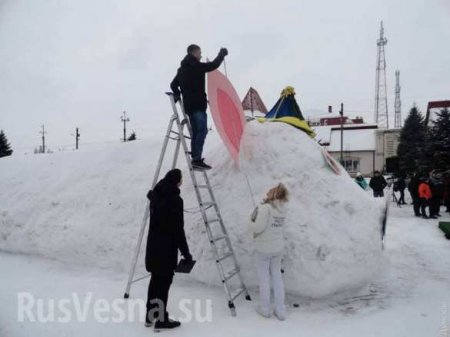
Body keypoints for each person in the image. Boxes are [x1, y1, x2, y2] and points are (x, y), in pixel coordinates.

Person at [145, 169, 192, 330]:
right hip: (166, 250)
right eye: (181, 179)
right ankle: (161, 319)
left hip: (153, 247)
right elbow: (178, 230)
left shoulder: (156, 196)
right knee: (163, 284)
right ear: (177, 181)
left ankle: (150, 316)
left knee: (155, 280)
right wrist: (186, 253)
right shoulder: (175, 200)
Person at [170, 44, 228, 170]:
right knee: (202, 131)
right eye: (199, 53)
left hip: (188, 107)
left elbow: (173, 84)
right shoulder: (196, 66)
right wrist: (222, 54)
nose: (201, 55)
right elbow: (213, 65)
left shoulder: (181, 70)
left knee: (196, 133)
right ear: (194, 53)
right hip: (198, 106)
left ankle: (195, 159)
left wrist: (177, 95)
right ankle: (196, 159)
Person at [249, 183, 288, 321]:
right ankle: (280, 310)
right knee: (277, 277)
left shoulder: (264, 208)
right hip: (278, 248)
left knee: (264, 278)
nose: (268, 190)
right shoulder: (283, 209)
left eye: (271, 189)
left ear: (274, 193)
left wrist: (250, 220)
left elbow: (257, 228)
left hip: (264, 248)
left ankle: (265, 309)